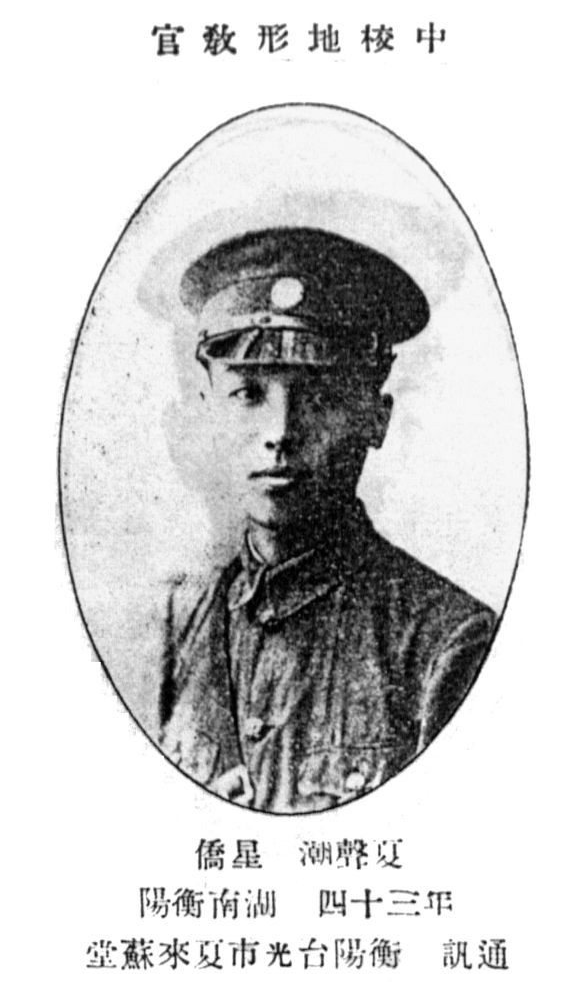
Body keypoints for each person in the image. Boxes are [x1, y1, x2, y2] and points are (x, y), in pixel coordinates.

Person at [159, 227, 496, 813]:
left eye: (320, 398)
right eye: (249, 394)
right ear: (210, 413)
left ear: (375, 419)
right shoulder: (181, 619)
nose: (280, 433)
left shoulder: (446, 644)